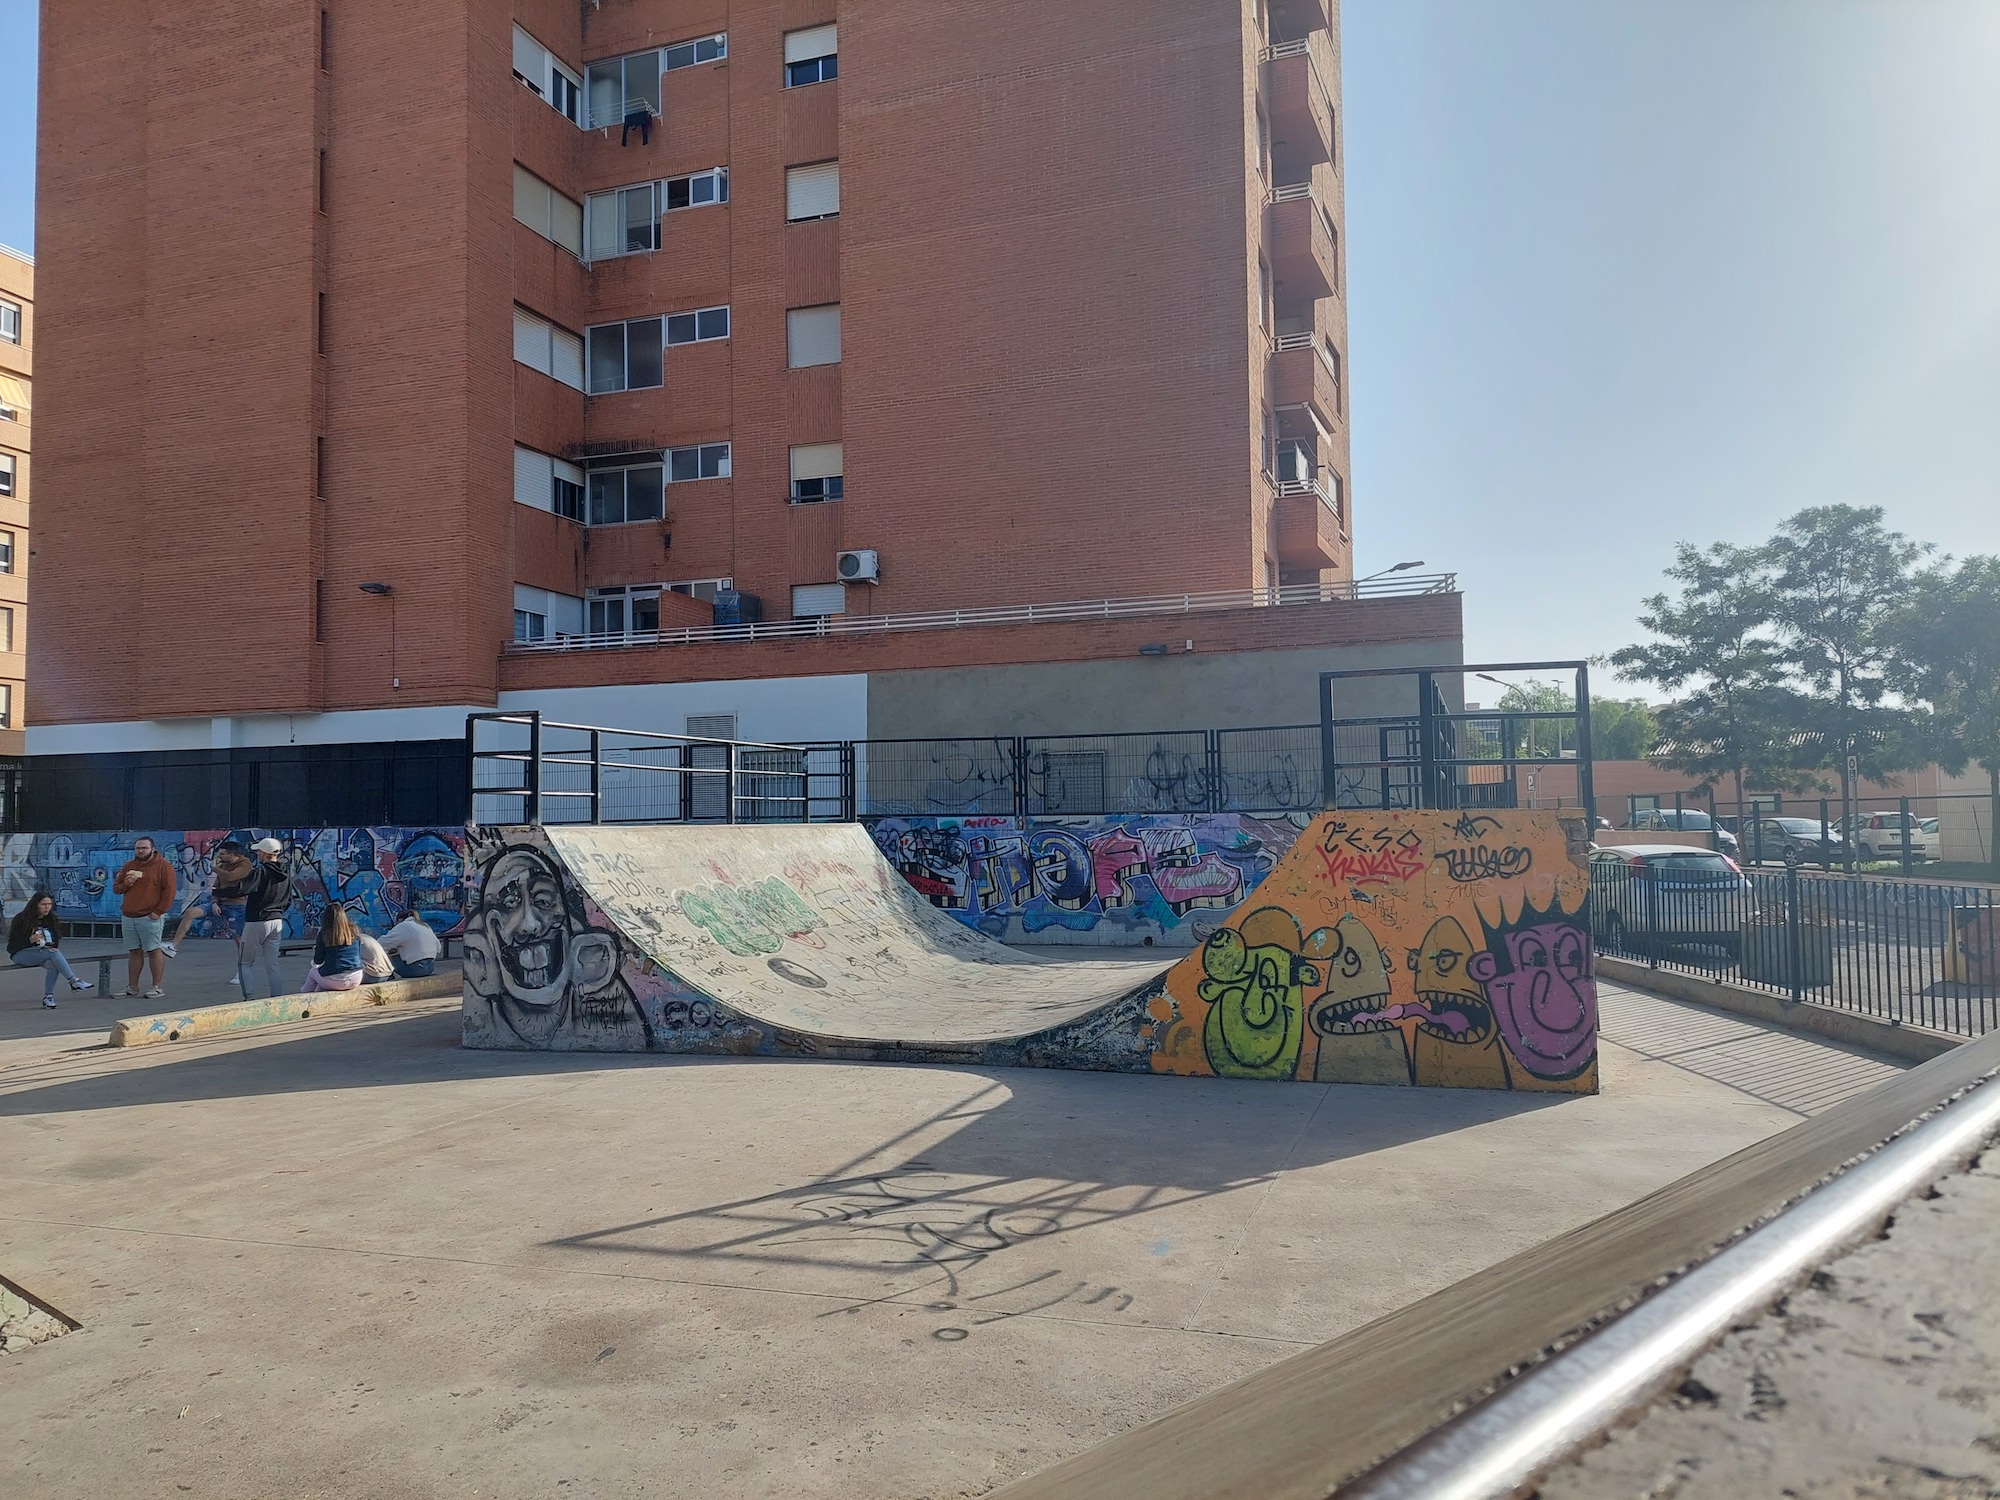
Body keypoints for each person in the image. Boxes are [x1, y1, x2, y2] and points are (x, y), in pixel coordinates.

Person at [160, 841, 253, 976]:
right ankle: (173, 946)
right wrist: (214, 902)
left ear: (231, 854)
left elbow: (231, 876)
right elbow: (216, 886)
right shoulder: (223, 865)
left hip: (236, 905)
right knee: (190, 913)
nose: (219, 856)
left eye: (222, 854)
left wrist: (214, 868)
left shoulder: (245, 865)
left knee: (239, 939)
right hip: (220, 902)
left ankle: (243, 971)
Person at [115, 836, 178, 1000]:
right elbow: (116, 888)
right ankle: (132, 987)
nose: (141, 851)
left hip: (150, 916)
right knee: (134, 951)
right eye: (138, 848)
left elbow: (169, 891)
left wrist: (159, 911)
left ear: (152, 849)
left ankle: (156, 987)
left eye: (144, 848)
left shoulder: (164, 866)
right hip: (129, 915)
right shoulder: (129, 866)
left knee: (153, 950)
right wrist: (126, 884)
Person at [8, 893, 93, 1009]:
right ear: (35, 905)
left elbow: (56, 937)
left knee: (53, 965)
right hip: (21, 953)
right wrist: (30, 940)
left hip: (42, 952)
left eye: (49, 904)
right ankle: (74, 981)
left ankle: (48, 997)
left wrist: (51, 945)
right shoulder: (21, 919)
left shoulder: (51, 919)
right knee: (54, 953)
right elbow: (13, 944)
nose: (47, 907)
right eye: (43, 904)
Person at [236, 837, 294, 999]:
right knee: (272, 965)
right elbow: (289, 899)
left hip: (256, 921)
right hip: (277, 921)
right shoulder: (285, 873)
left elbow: (242, 889)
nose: (257, 854)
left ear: (263, 853)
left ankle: (249, 998)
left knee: (245, 962)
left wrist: (219, 891)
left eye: (259, 851)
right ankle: (277, 997)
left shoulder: (259, 871)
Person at [302, 905, 365, 993]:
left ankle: (303, 993)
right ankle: (316, 993)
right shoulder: (354, 931)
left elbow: (318, 960)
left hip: (335, 979)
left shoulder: (324, 933)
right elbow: (358, 953)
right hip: (356, 977)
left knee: (313, 972)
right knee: (322, 980)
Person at [378, 908, 442, 979]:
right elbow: (439, 947)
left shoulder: (403, 926)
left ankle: (387, 975)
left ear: (400, 920)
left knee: (386, 953)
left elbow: (381, 943)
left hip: (414, 969)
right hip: (430, 968)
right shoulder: (425, 926)